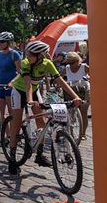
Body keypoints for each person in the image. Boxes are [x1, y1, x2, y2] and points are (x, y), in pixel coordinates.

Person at [7, 41, 82, 175]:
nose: (27, 56)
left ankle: (39, 155)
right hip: (19, 91)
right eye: (27, 53)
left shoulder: (47, 64)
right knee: (16, 125)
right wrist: (30, 101)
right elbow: (28, 84)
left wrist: (75, 96)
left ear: (40, 56)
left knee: (41, 123)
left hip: (34, 91)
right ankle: (12, 159)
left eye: (30, 54)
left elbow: (60, 81)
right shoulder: (25, 63)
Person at [62, 51, 90, 139]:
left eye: (72, 62)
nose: (70, 64)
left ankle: (83, 134)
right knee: (70, 113)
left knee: (83, 112)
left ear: (77, 60)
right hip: (70, 92)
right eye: (68, 62)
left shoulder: (84, 67)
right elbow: (58, 77)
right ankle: (70, 132)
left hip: (83, 91)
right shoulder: (67, 68)